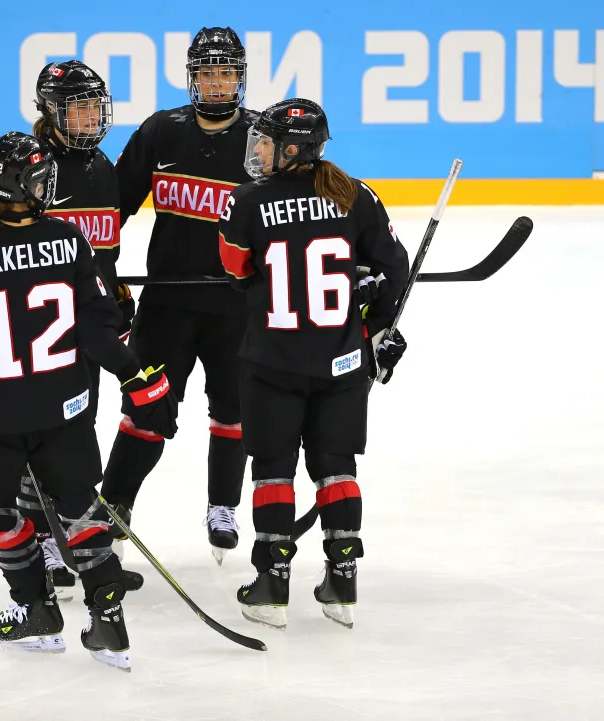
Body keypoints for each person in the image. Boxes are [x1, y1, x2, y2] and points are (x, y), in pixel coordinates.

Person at [0, 131, 178, 670]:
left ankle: (35, 607)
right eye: (43, 180)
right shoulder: (69, 238)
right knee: (79, 506)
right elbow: (98, 327)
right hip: (63, 407)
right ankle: (108, 621)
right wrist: (140, 380)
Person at [0, 60, 138, 600]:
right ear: (50, 110)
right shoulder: (32, 167)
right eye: (78, 107)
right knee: (36, 439)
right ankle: (47, 544)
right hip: (39, 334)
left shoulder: (101, 168)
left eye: (95, 106)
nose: (91, 117)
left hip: (84, 324)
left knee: (68, 440)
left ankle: (67, 544)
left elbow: (102, 251)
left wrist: (111, 292)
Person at [217, 98, 410, 630]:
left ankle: (271, 587)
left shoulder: (249, 201)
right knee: (336, 466)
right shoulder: (356, 195)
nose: (257, 149)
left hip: (272, 361)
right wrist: (378, 323)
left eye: (266, 141)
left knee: (273, 470)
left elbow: (235, 268)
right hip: (343, 361)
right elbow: (393, 269)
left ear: (293, 148)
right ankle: (342, 583)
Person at [103, 26, 257, 565]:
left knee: (234, 410)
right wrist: (88, 269)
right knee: (146, 408)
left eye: (227, 73)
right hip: (167, 303)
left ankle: (223, 506)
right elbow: (112, 209)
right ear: (192, 77)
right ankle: (114, 508)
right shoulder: (160, 132)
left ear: (241, 76)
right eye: (207, 73)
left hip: (239, 306)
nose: (217, 84)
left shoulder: (263, 137)